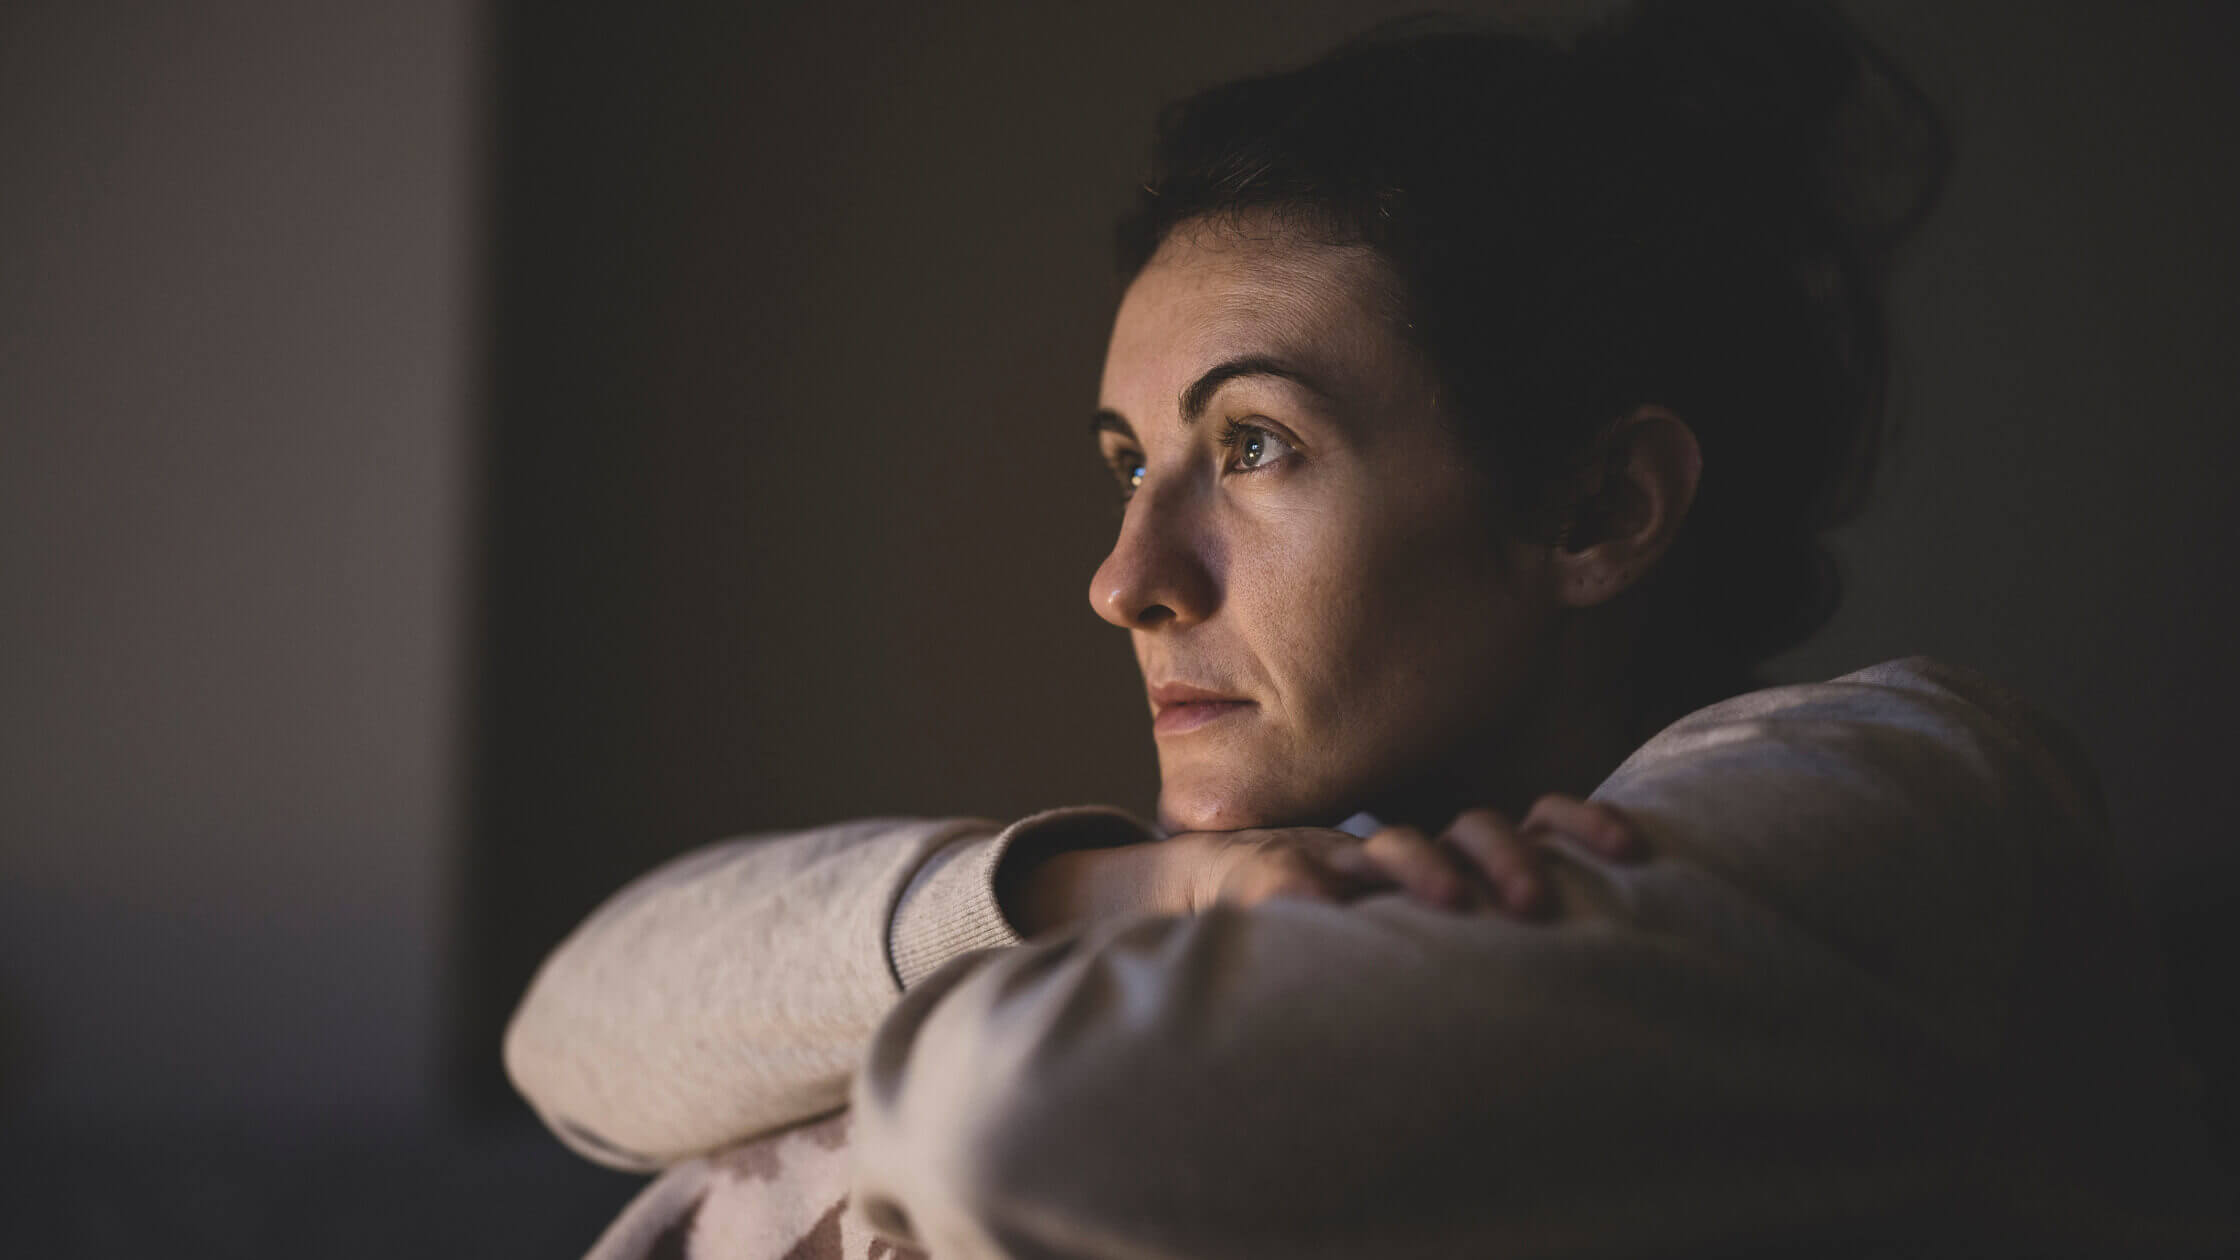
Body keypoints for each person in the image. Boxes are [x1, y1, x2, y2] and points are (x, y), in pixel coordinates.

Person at [504, 3, 2233, 1256]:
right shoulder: (1283, 881)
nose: (1126, 579)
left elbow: (1020, 1126)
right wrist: (1110, 888)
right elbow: (574, 1033)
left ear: (1595, 512)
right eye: (1129, 461)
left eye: (1252, 444)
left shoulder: (1915, 805)